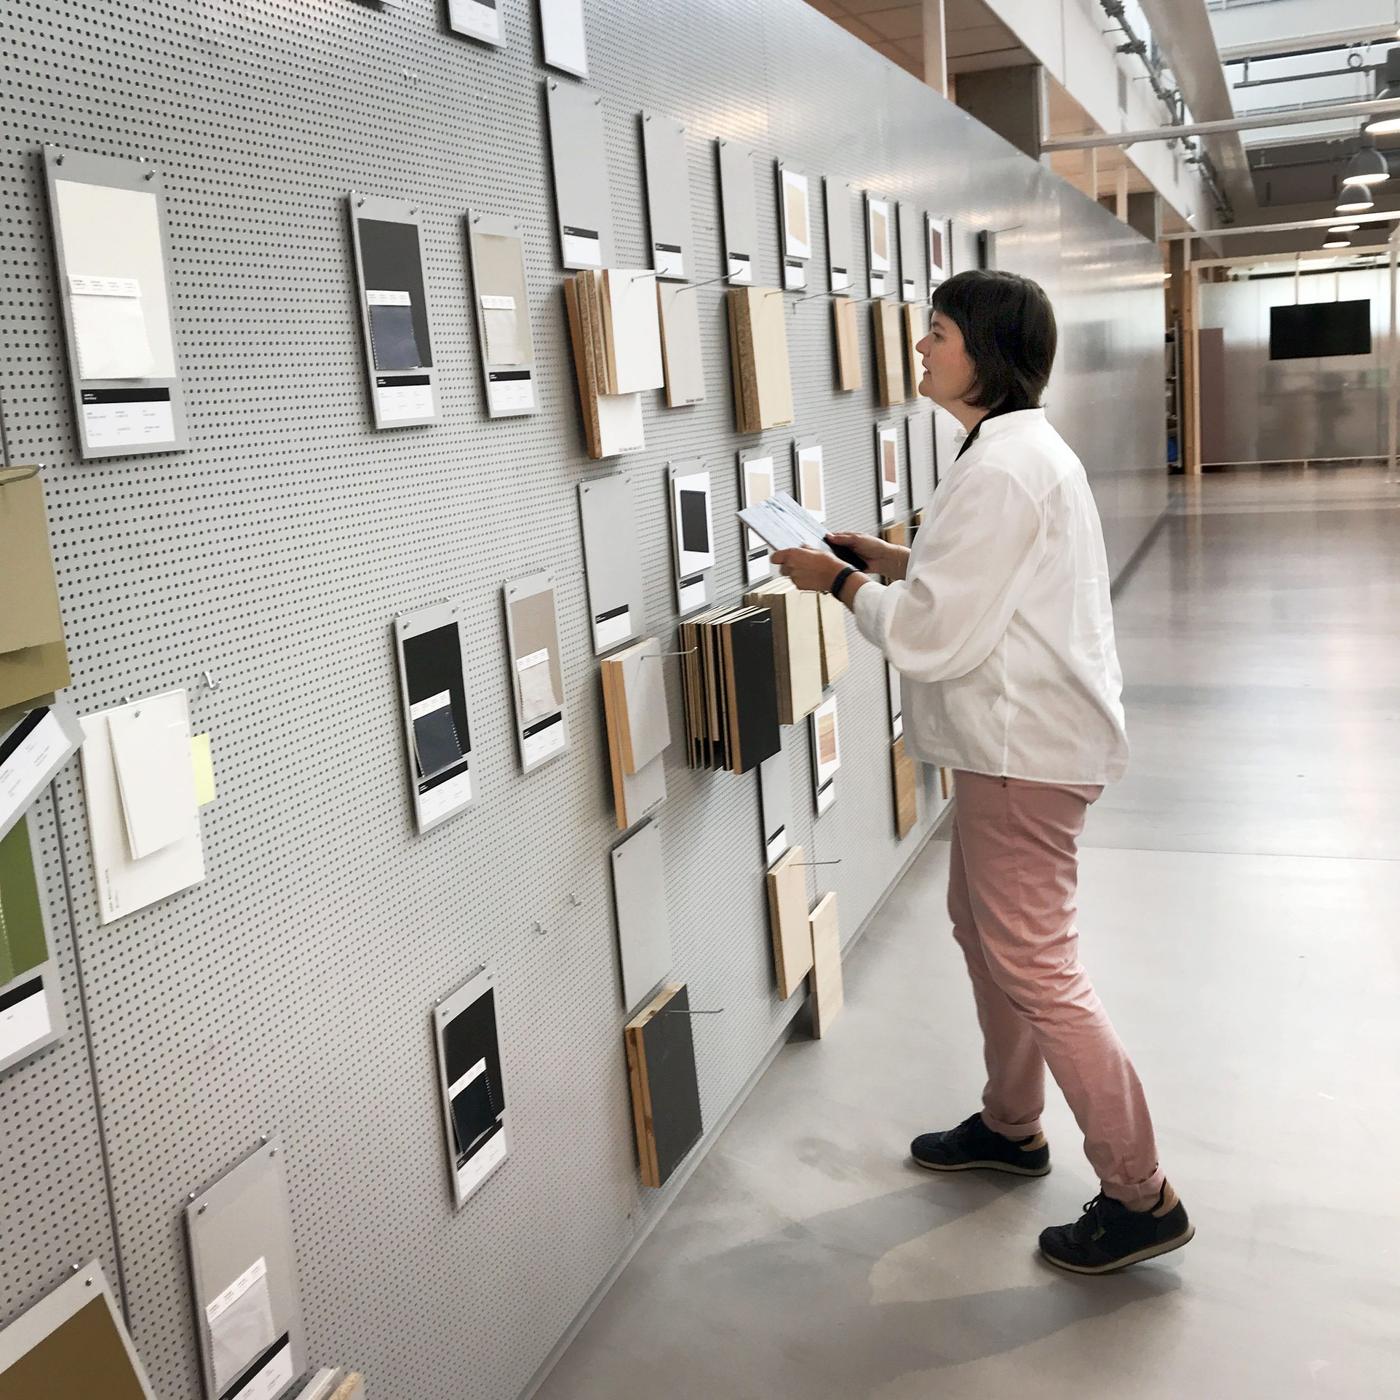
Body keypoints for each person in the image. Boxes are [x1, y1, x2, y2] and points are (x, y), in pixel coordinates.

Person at [770, 269, 1193, 1275]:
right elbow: (973, 582)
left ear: (984, 354)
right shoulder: (1009, 454)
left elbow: (934, 636)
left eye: (939, 334)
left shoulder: (1005, 467)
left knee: (1038, 966)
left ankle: (1139, 1193)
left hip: (1021, 755)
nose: (921, 347)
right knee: (984, 933)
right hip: (1011, 747)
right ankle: (1011, 1125)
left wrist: (837, 580)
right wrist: (889, 555)